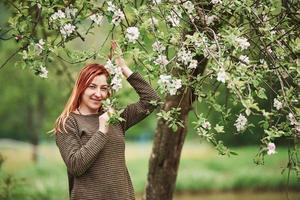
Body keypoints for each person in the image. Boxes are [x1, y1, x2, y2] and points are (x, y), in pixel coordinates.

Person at [53, 48, 160, 200]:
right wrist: (102, 131)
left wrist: (123, 68)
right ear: (81, 88)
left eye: (104, 88)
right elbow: (75, 166)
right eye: (92, 87)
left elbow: (151, 100)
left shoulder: (114, 117)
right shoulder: (67, 123)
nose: (99, 94)